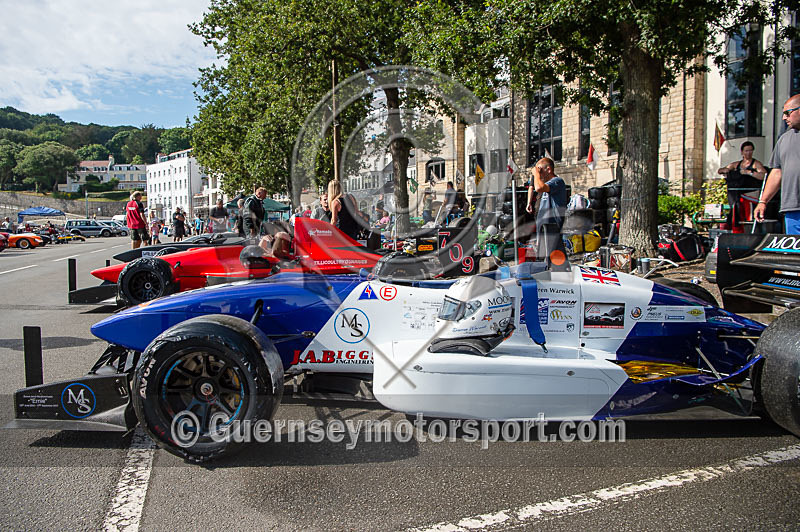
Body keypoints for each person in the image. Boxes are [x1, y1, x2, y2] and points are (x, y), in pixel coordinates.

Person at [755, 94, 800, 234]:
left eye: (787, 113)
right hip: (792, 209)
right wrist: (763, 202)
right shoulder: (783, 140)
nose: (784, 118)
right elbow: (776, 172)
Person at [526, 157, 567, 266]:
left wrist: (536, 174)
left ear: (549, 170)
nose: (539, 173)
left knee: (557, 264)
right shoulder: (546, 187)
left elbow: (538, 188)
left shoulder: (557, 182)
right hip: (543, 233)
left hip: (552, 230)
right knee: (544, 265)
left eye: (540, 170)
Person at [718, 141, 767, 226]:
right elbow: (720, 170)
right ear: (742, 152)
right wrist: (726, 170)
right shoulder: (736, 164)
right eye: (746, 151)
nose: (748, 153)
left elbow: (764, 175)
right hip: (736, 195)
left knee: (748, 217)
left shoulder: (756, 164)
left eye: (750, 150)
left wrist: (750, 173)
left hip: (750, 195)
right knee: (736, 214)